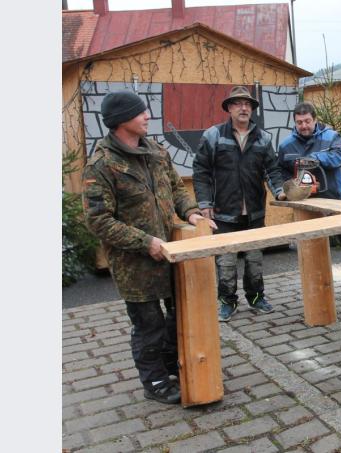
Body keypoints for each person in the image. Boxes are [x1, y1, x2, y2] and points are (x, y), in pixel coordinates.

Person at [82, 90, 215, 404]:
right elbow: (98, 220)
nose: (147, 117)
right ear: (121, 120)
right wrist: (145, 242)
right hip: (135, 263)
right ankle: (154, 381)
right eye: (141, 112)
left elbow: (176, 188)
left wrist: (191, 212)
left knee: (176, 315)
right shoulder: (101, 164)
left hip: (171, 251)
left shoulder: (155, 150)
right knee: (149, 324)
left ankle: (171, 364)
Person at [193, 86, 286, 322]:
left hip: (254, 211)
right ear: (229, 108)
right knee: (226, 262)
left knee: (254, 259)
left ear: (252, 109)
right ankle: (227, 301)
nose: (243, 108)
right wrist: (204, 203)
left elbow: (272, 169)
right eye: (238, 103)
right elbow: (201, 170)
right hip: (223, 212)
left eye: (248, 104)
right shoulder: (213, 135)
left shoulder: (263, 138)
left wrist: (280, 192)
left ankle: (256, 297)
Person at [277, 102, 341, 305]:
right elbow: (281, 169)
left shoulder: (331, 137)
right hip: (307, 203)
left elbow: (340, 157)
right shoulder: (286, 145)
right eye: (299, 122)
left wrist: (314, 158)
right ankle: (317, 293)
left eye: (307, 121)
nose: (304, 125)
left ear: (315, 119)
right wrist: (286, 188)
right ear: (295, 123)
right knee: (312, 247)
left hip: (338, 200)